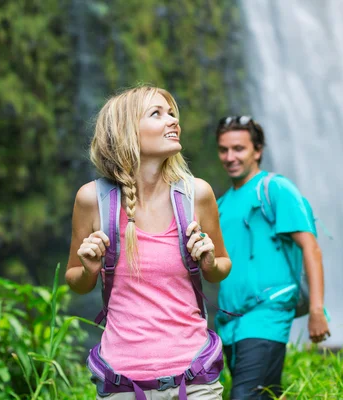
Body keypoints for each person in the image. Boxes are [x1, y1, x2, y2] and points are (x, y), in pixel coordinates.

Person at [65, 86, 232, 399]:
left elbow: (221, 267)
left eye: (172, 114)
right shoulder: (93, 200)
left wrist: (209, 261)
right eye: (157, 114)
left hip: (195, 376)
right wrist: (88, 268)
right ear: (126, 132)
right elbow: (75, 280)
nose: (173, 121)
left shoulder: (197, 194)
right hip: (122, 382)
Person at [214, 115, 330, 400]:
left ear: (258, 150)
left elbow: (310, 247)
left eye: (238, 148)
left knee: (244, 395)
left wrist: (316, 310)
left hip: (267, 315)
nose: (230, 157)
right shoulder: (221, 203)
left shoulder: (275, 189)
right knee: (263, 394)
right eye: (223, 149)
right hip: (230, 323)